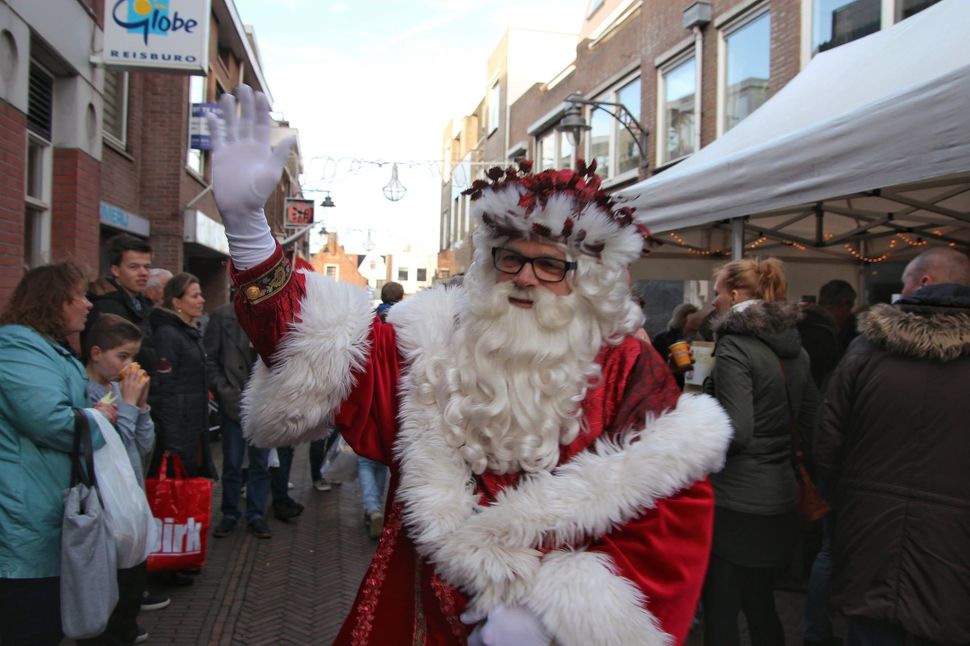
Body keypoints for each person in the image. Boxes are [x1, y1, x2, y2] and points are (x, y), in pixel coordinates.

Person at [206, 85, 732, 645]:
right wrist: (248, 231)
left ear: (586, 279)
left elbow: (671, 511)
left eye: (550, 265)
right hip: (420, 610)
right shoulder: (434, 340)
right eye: (512, 259)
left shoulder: (626, 362)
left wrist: (560, 614)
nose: (526, 277)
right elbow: (321, 353)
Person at [816, 247, 970, 646]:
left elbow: (829, 438)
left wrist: (842, 500)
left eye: (902, 282)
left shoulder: (867, 348)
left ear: (923, 282)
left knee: (870, 631)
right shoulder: (867, 348)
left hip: (869, 528)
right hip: (951, 542)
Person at [701, 257, 819, 646]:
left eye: (717, 291)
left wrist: (692, 428)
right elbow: (811, 419)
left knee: (721, 610)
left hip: (737, 499)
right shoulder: (795, 350)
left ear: (734, 295)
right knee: (760, 602)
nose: (713, 299)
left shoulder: (735, 345)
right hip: (780, 493)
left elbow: (738, 431)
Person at [0, 262, 109, 645]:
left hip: (42, 510)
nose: (88, 305)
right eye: (78, 296)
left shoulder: (46, 350)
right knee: (29, 624)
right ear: (54, 302)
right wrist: (103, 420)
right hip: (24, 517)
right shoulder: (18, 348)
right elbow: (51, 422)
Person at [81, 313, 159, 645]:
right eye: (121, 356)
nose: (128, 365)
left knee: (130, 588)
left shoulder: (118, 388)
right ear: (96, 353)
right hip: (104, 506)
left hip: (130, 501)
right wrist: (126, 405)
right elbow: (111, 446)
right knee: (107, 591)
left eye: (133, 357)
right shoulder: (84, 393)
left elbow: (142, 446)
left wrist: (141, 408)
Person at [205, 301, 275, 539]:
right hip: (232, 402)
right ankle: (230, 513)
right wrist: (224, 390)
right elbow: (211, 359)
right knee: (232, 463)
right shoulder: (222, 316)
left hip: (261, 403)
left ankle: (256, 514)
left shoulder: (273, 317)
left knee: (260, 464)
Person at [147, 272, 216, 479]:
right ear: (177, 301)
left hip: (193, 425)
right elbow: (165, 388)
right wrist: (172, 440)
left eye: (201, 295)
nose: (202, 300)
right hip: (182, 429)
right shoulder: (168, 335)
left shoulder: (187, 332)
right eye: (195, 296)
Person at [358, 282, 403, 539]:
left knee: (366, 459)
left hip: (371, 397)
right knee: (389, 457)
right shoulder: (409, 325)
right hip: (397, 401)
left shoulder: (369, 323)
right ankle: (384, 511)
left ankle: (373, 508)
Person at [82, 234, 154, 365]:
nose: (143, 273)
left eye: (147, 267)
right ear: (115, 270)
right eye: (134, 267)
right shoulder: (106, 307)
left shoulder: (142, 303)